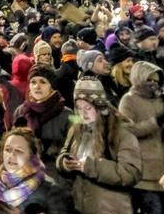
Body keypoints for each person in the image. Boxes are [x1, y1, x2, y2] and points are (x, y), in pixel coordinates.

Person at [57, 77, 142, 214]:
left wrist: (92, 166)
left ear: (100, 106)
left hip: (111, 208)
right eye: (78, 108)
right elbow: (64, 152)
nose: (82, 114)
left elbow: (130, 173)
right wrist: (64, 163)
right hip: (81, 206)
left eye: (88, 108)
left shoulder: (121, 132)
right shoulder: (77, 129)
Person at [0, 127, 74, 214]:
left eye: (19, 151)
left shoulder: (52, 191)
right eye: (7, 150)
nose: (11, 155)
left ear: (32, 156)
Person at [118, 61, 164, 214]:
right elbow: (127, 129)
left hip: (163, 169)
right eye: (149, 80)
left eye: (156, 81)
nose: (153, 84)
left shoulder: (160, 99)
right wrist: (155, 122)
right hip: (143, 173)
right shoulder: (128, 100)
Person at [12, 64, 72, 181]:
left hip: (57, 175)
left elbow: (71, 152)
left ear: (52, 86)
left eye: (43, 82)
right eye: (33, 82)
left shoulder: (67, 115)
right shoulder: (21, 111)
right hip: (24, 171)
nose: (37, 86)